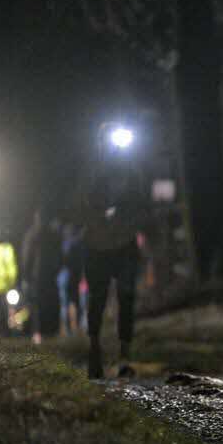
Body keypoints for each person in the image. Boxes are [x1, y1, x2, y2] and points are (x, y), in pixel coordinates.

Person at [77, 124, 150, 379]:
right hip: (96, 245)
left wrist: (134, 222)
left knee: (126, 297)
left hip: (125, 243)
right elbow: (82, 202)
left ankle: (124, 355)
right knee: (97, 298)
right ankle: (94, 348)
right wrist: (100, 212)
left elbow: (142, 202)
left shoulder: (131, 172)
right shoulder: (91, 171)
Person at [20, 209, 63, 344]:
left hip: (38, 276)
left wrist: (26, 275)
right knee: (48, 303)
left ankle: (39, 333)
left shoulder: (33, 235)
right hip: (48, 276)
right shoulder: (52, 235)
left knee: (38, 305)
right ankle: (50, 332)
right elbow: (60, 256)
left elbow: (26, 257)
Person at [0, 227, 19, 336]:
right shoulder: (6, 248)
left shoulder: (1, 248)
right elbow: (13, 267)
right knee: (5, 310)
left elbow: (10, 267)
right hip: (3, 286)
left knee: (2, 310)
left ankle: (2, 331)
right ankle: (3, 331)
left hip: (1, 286)